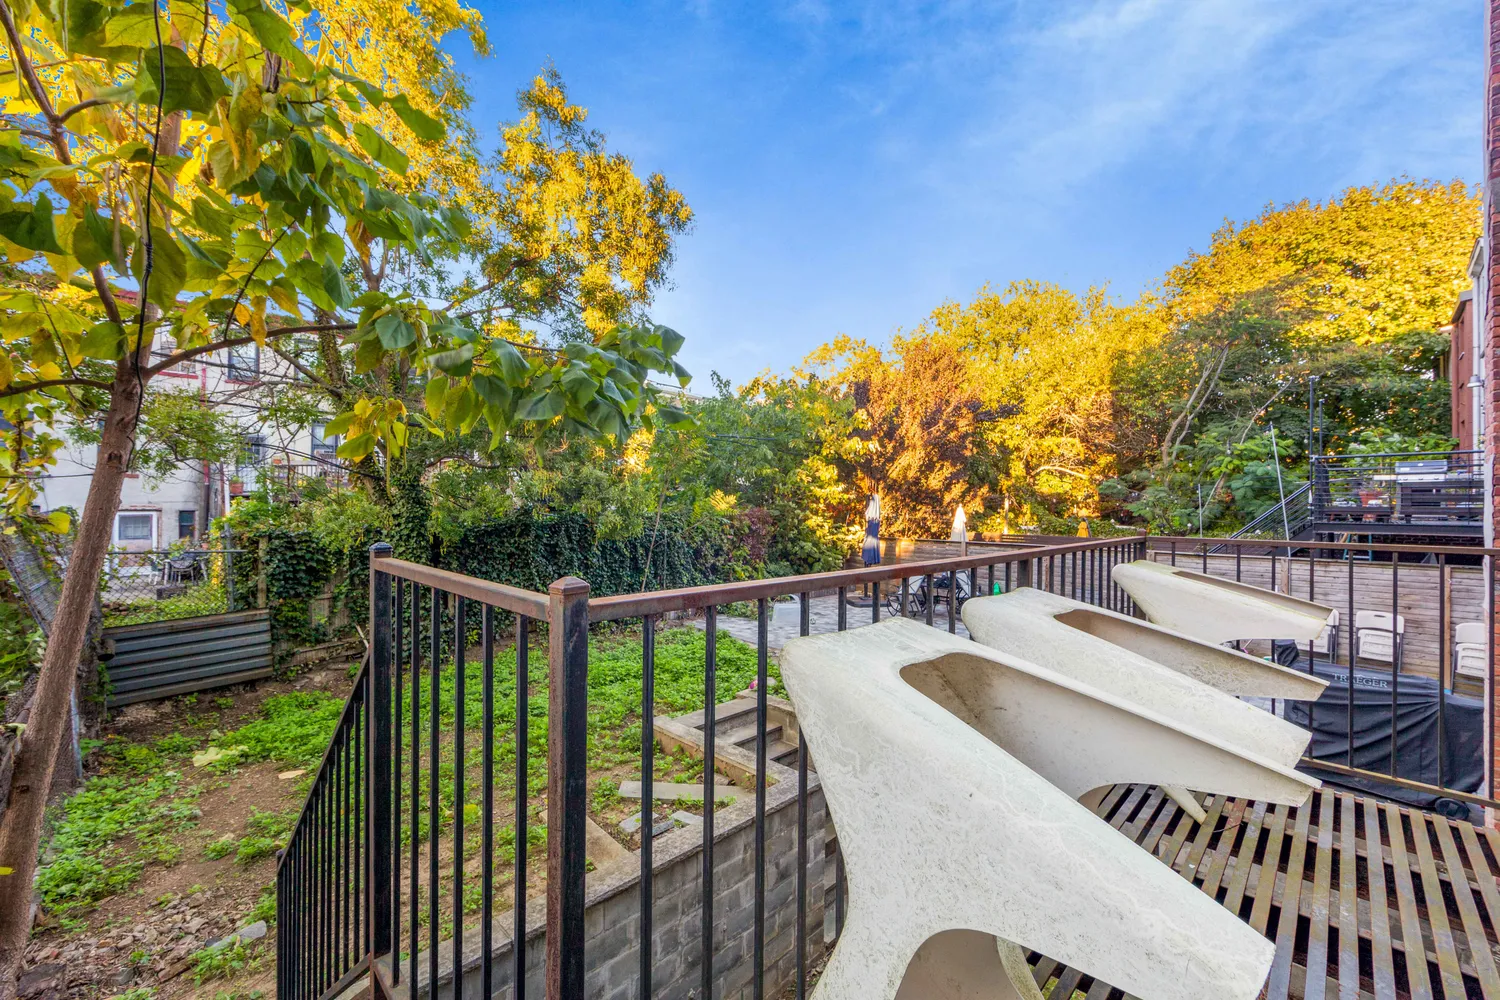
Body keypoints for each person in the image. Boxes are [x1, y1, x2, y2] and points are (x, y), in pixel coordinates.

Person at [862, 494, 881, 567]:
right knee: (867, 559)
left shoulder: (873, 520)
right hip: (871, 540)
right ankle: (867, 565)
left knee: (868, 558)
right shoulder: (876, 518)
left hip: (870, 541)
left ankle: (867, 565)